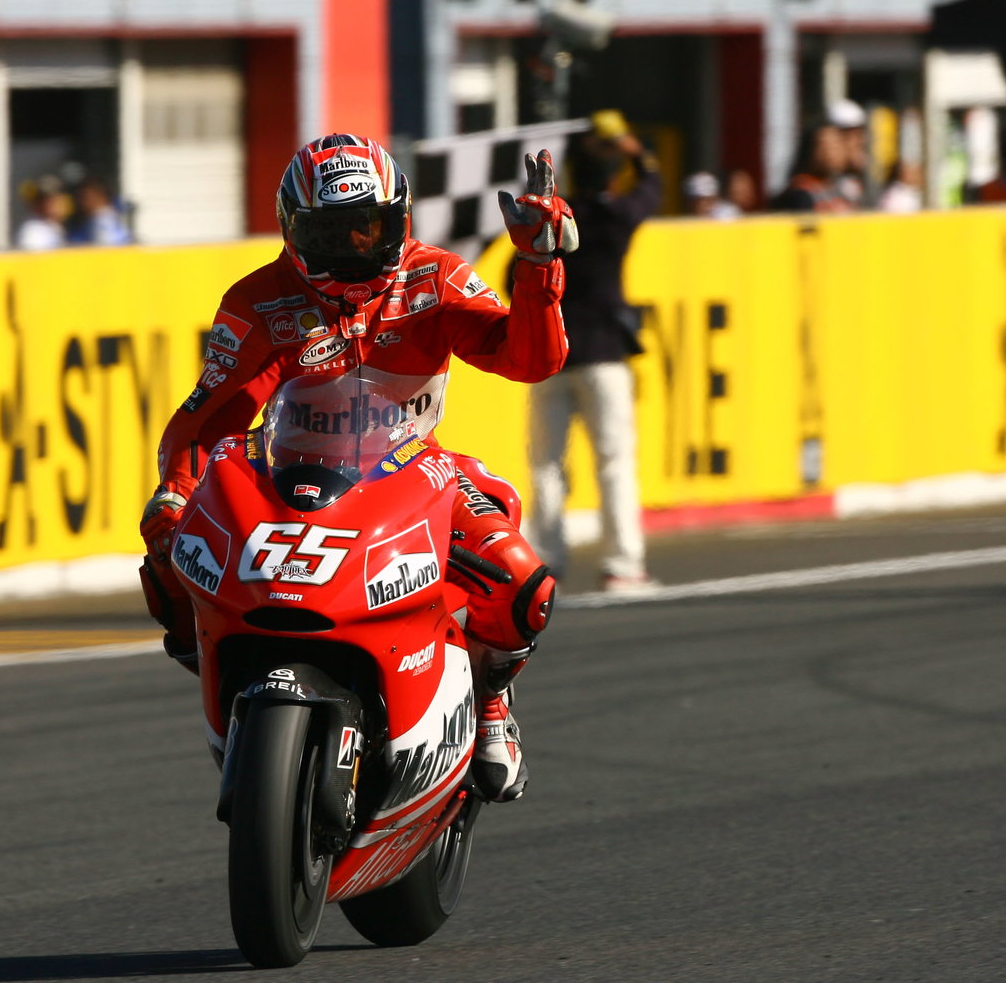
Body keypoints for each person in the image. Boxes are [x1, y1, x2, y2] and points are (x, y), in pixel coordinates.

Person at [137, 133, 577, 804]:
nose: (353, 249)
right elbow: (210, 417)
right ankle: (226, 668)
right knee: (166, 540)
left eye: (369, 228)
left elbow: (530, 360)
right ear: (293, 231)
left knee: (524, 586)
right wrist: (175, 495)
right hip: (286, 479)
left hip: (413, 471)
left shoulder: (434, 277)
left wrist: (538, 266)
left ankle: (490, 699)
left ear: (400, 219)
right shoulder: (259, 300)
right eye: (331, 233)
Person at [522, 110, 660, 593]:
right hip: (604, 355)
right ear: (612, 178)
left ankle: (545, 562)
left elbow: (514, 280)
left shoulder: (554, 223)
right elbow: (652, 190)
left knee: (546, 465)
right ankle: (623, 564)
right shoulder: (617, 216)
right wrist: (640, 156)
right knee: (615, 463)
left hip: (553, 355)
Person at [767, 123, 850, 213]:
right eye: (827, 146)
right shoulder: (801, 193)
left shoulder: (842, 188)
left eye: (837, 145)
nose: (833, 152)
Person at [827, 99, 870, 208]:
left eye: (861, 133)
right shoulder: (815, 186)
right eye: (855, 135)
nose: (861, 141)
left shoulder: (856, 181)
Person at [67, 177, 133, 246]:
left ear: (102, 195)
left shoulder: (119, 216)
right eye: (81, 197)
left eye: (87, 196)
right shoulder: (84, 227)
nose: (83, 202)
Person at [15, 176, 69, 250]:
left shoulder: (54, 225)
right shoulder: (33, 231)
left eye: (56, 198)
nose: (54, 204)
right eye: (47, 200)